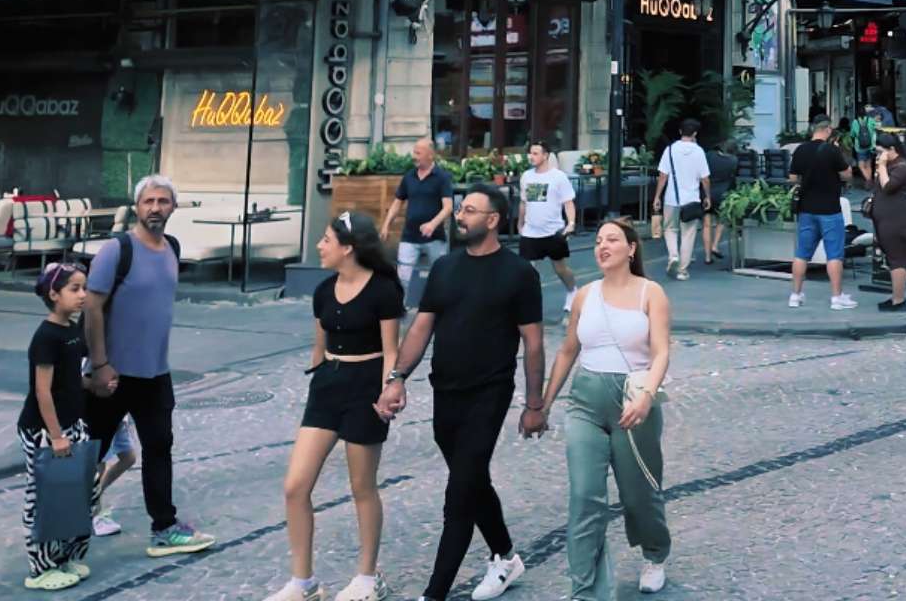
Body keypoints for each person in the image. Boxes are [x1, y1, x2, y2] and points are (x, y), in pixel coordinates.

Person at [389, 186, 548, 601]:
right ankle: (506, 556)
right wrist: (397, 376)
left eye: (470, 211)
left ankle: (434, 593)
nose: (460, 216)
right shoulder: (445, 267)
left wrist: (535, 405)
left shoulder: (519, 273)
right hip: (446, 390)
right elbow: (422, 326)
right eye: (461, 209)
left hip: (489, 392)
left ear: (493, 220)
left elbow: (533, 343)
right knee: (472, 479)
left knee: (459, 492)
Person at [268, 214, 407, 601]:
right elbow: (319, 342)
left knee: (362, 486)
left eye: (326, 239)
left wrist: (390, 390)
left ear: (348, 247)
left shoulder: (383, 291)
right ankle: (303, 582)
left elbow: (391, 350)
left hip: (366, 390)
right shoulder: (323, 289)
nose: (319, 246)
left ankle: (367, 577)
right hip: (327, 387)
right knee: (295, 485)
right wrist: (317, 374)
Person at [540, 220, 674, 600]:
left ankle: (655, 553)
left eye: (612, 239)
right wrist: (544, 404)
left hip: (633, 400)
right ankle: (586, 590)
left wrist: (647, 395)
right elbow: (568, 350)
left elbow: (662, 351)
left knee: (638, 495)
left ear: (631, 248)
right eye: (598, 240)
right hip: (585, 402)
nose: (602, 246)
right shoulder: (585, 294)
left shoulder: (652, 293)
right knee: (585, 497)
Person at [82, 175, 213, 558]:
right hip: (113, 375)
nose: (155, 208)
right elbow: (92, 307)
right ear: (137, 207)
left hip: (156, 373)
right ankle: (62, 528)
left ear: (173, 207)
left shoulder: (171, 247)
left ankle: (164, 527)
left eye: (163, 201)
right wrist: (101, 364)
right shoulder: (116, 250)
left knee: (159, 448)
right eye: (148, 201)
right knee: (89, 452)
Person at [20, 266, 96, 591]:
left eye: (84, 288)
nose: (82, 295)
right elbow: (43, 390)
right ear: (54, 295)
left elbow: (69, 378)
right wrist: (55, 436)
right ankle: (41, 568)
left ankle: (66, 556)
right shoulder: (46, 336)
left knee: (79, 492)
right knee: (46, 497)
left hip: (72, 423)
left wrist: (92, 385)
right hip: (45, 429)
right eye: (75, 289)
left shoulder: (73, 330)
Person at [382, 140, 457, 313]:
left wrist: (432, 224)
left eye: (418, 153)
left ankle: (442, 309)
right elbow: (397, 203)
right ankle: (398, 310)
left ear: (430, 155)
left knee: (439, 275)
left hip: (435, 237)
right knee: (402, 276)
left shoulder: (442, 177)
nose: (414, 156)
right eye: (414, 152)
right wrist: (386, 225)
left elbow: (448, 207)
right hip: (409, 236)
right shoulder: (409, 176)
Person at [788, 116, 854, 309]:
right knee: (834, 255)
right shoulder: (832, 150)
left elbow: (792, 178)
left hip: (807, 208)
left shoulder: (800, 150)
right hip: (829, 209)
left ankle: (796, 295)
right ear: (827, 131)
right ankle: (836, 297)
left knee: (801, 254)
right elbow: (846, 174)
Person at [516, 143, 580, 303]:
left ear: (545, 155)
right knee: (526, 270)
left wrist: (571, 223)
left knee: (560, 269)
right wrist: (520, 223)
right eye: (530, 153)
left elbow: (568, 202)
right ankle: (529, 302)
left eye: (536, 153)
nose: (532, 156)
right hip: (530, 231)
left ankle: (573, 292)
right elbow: (523, 202)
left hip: (553, 231)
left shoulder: (558, 177)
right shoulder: (526, 176)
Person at [653, 121, 712, 281]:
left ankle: (673, 256)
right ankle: (682, 270)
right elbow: (705, 178)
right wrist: (707, 196)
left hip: (671, 198)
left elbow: (663, 176)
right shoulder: (699, 152)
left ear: (680, 131)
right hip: (691, 199)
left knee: (670, 229)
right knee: (688, 234)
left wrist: (657, 196)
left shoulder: (670, 149)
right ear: (695, 134)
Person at [869, 137, 906, 311]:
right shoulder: (892, 166)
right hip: (886, 218)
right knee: (892, 257)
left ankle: (899, 301)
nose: (878, 156)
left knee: (897, 259)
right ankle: (895, 297)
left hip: (896, 219)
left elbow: (888, 187)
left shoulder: (902, 167)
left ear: (891, 149)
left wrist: (882, 166)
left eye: (880, 152)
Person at [91, 422, 136, 537]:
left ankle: (92, 499)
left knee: (128, 457)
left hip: (120, 415)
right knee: (99, 464)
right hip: (102, 414)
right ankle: (95, 516)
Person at [701, 144, 739, 268]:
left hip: (707, 193)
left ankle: (707, 257)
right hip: (723, 194)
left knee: (706, 225)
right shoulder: (733, 161)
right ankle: (715, 245)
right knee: (722, 220)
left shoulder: (710, 156)